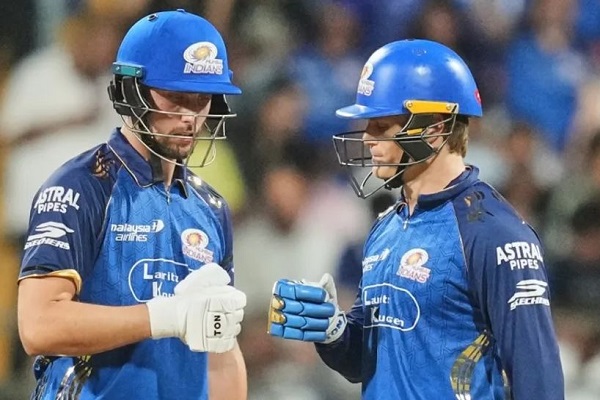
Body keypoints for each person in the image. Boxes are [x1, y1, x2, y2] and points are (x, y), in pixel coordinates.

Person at [268, 39, 565, 399]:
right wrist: (333, 331)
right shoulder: (386, 228)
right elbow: (366, 362)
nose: (367, 138)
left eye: (381, 125)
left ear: (434, 130)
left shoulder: (494, 233)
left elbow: (537, 375)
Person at [17, 9, 247, 400]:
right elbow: (38, 326)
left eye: (202, 99)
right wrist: (165, 316)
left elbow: (220, 351)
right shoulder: (80, 188)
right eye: (175, 98)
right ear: (131, 92)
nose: (190, 117)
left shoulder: (211, 207)